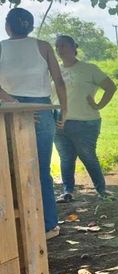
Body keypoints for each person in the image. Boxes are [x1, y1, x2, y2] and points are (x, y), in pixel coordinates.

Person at [0, 8, 66, 240]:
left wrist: (15, 103)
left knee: (8, 168)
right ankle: (48, 225)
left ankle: (13, 224)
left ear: (8, 26)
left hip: (8, 109)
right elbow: (58, 80)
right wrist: (64, 110)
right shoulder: (43, 46)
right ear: (30, 26)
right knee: (40, 169)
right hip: (41, 108)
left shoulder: (1, 47)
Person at [54, 35, 117, 203]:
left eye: (64, 46)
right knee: (66, 158)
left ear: (75, 47)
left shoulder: (89, 69)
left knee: (88, 156)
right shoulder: (55, 70)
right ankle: (68, 191)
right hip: (59, 121)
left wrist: (99, 105)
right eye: (57, 46)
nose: (60, 49)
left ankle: (102, 190)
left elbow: (110, 87)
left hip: (85, 122)